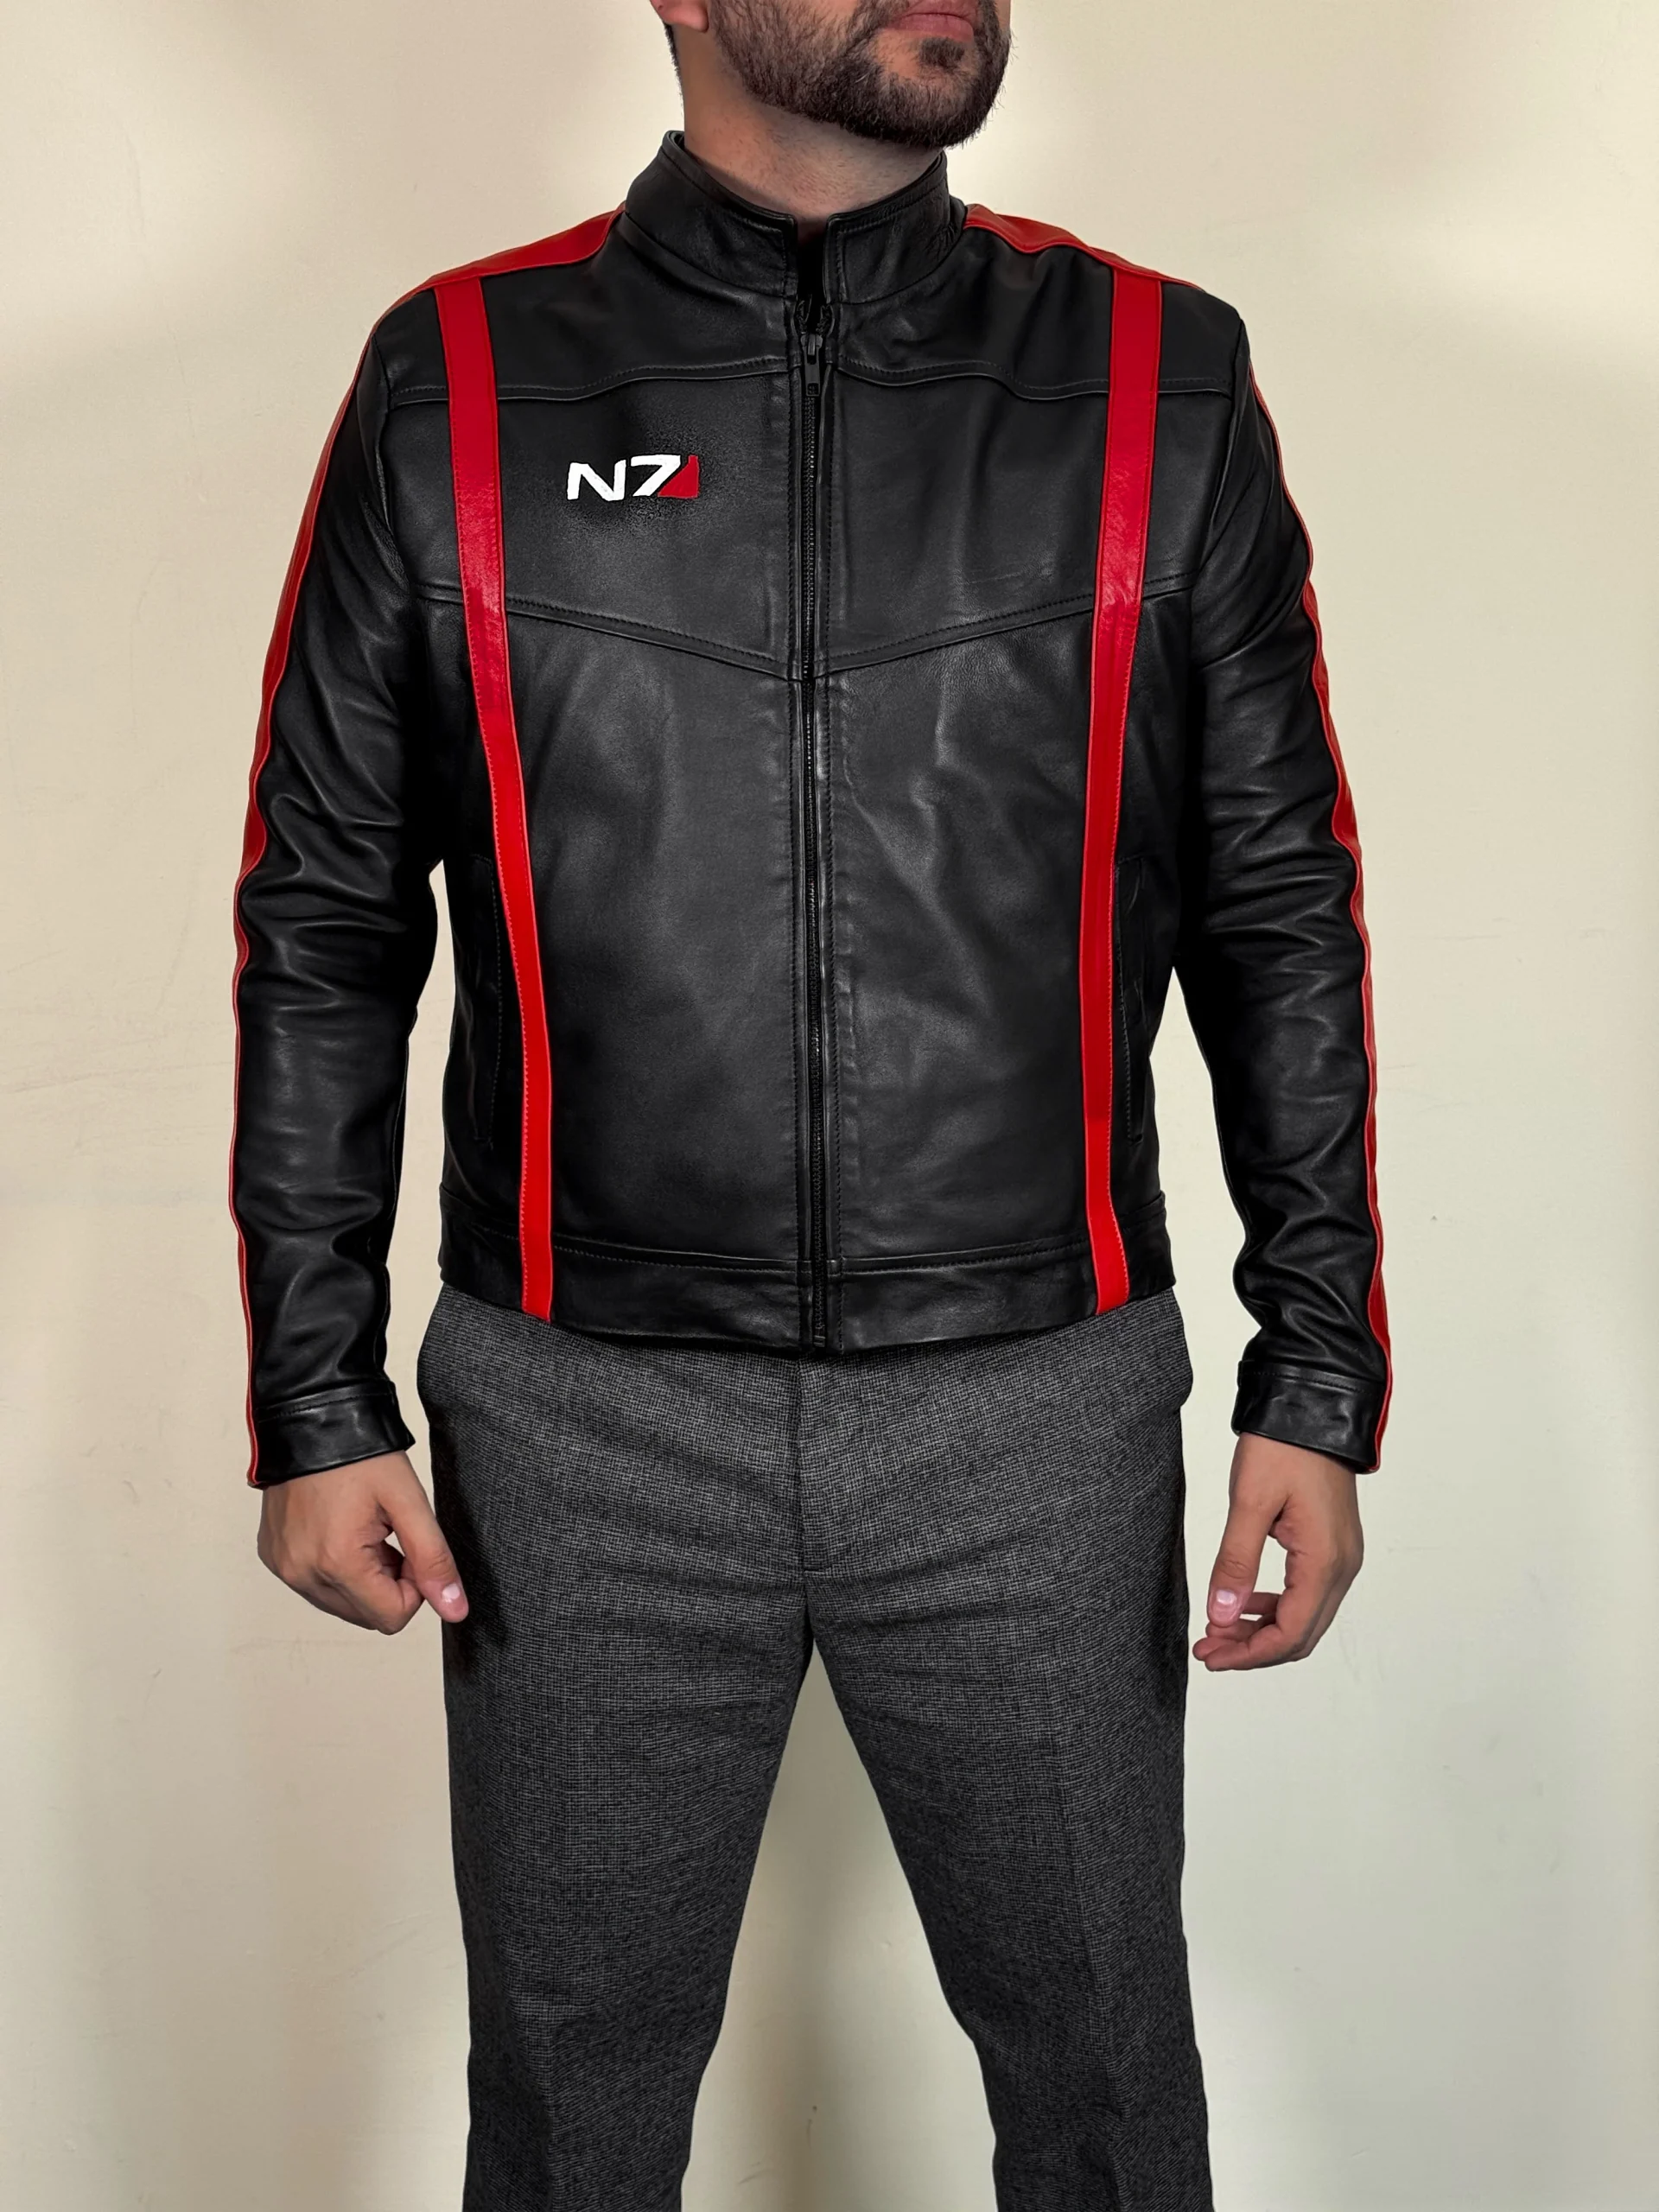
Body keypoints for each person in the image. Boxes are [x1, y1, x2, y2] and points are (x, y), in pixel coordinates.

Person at [231, 1, 1389, 2203]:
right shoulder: (457, 379)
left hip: (1035, 1400)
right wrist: (315, 1393)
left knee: (1105, 2092)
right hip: (579, 1418)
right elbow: (326, 914)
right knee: (569, 2122)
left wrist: (1315, 1375)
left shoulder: (1158, 376)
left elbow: (1278, 905)